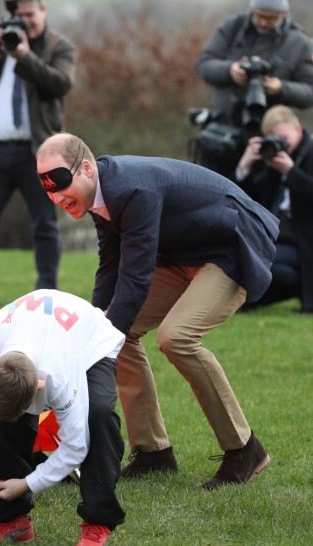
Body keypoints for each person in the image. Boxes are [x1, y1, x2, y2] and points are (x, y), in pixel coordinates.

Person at [36, 132, 279, 491]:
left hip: (230, 246)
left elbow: (134, 276)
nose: (55, 196)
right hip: (184, 254)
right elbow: (111, 266)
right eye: (45, 187)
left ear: (86, 168)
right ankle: (153, 453)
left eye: (59, 182)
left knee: (176, 337)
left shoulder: (131, 191)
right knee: (116, 331)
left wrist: (101, 337)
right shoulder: (99, 197)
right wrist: (91, 327)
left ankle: (245, 449)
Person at [0, 289, 126, 546]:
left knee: (98, 417)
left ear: (39, 391)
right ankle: (13, 519)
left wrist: (28, 482)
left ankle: (98, 521)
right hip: (34, 333)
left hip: (90, 342)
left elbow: (76, 447)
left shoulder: (60, 378)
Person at [0, 0, 76, 301]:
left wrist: (24, 56)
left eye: (29, 16)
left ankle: (46, 294)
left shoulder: (58, 46)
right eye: (17, 17)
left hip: (39, 153)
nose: (24, 23)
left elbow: (60, 84)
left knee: (45, 225)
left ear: (43, 10)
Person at [194, 0, 313, 179]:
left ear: (284, 14)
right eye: (259, 15)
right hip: (221, 134)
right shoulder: (232, 28)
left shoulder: (300, 43)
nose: (263, 22)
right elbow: (203, 64)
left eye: (270, 18)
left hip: (267, 140)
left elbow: (309, 91)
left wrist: (281, 88)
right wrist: (230, 71)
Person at [236, 105, 313, 313]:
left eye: (283, 137)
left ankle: (239, 302)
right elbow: (250, 199)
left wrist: (290, 172)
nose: (280, 144)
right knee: (281, 273)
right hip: (274, 235)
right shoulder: (272, 156)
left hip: (301, 239)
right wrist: (246, 166)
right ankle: (243, 303)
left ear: (297, 129)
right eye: (273, 138)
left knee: (259, 265)